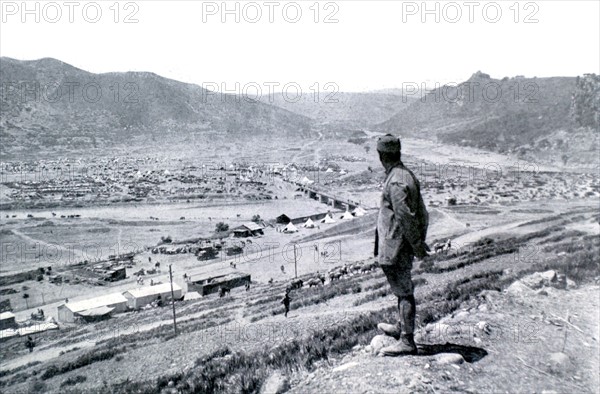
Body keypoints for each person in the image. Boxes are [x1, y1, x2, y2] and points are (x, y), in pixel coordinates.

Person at [374, 134, 429, 356]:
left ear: (381, 156)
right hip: (400, 242)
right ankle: (401, 328)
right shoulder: (405, 174)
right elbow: (423, 212)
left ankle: (407, 341)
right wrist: (418, 240)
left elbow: (405, 216)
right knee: (401, 287)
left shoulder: (396, 180)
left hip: (396, 244)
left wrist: (416, 244)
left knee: (404, 290)